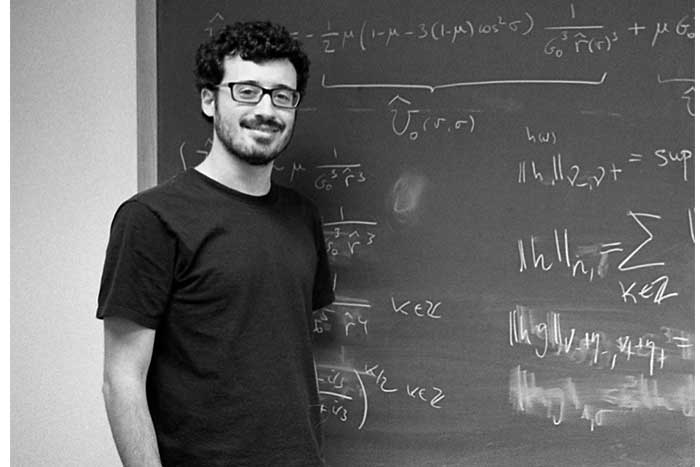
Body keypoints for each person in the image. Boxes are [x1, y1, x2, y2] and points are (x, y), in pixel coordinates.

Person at [97, 21, 335, 466]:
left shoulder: (303, 217)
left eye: (282, 96)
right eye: (247, 91)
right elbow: (121, 379)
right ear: (210, 99)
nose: (266, 109)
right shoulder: (151, 218)